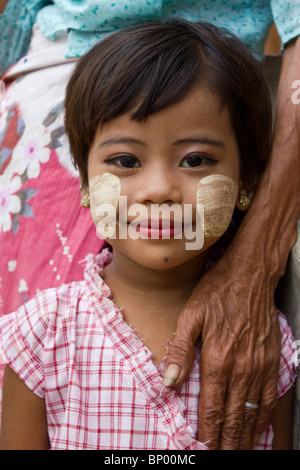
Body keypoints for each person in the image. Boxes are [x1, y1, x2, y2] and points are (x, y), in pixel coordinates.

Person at [0, 0, 300, 450]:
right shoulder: (41, 335)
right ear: (84, 182)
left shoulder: (265, 342)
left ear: (247, 182)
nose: (159, 188)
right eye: (125, 161)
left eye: (195, 160)